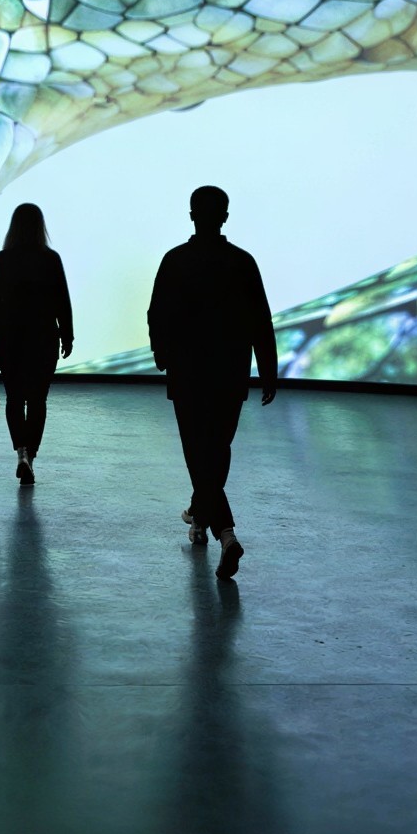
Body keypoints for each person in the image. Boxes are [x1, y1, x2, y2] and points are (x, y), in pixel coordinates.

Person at [147, 186, 277, 579]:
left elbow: (157, 313)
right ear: (225, 216)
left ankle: (225, 532)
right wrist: (268, 371)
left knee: (198, 454)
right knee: (217, 450)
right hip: (230, 373)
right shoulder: (242, 262)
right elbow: (261, 320)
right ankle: (200, 516)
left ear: (191, 215)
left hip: (187, 374)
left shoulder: (175, 260)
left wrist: (162, 355)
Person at [0, 202, 74, 483]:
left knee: (14, 399)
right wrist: (67, 335)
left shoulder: (2, 259)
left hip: (11, 339)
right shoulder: (50, 259)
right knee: (37, 401)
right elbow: (62, 301)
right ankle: (31, 455)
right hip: (44, 339)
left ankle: (20, 449)